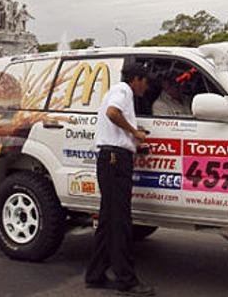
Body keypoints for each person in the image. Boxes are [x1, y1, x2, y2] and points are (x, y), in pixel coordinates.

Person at [85, 63, 156, 296]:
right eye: (146, 82)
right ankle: (127, 280)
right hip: (115, 161)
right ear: (136, 79)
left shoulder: (119, 91)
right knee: (120, 223)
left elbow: (115, 126)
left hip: (112, 159)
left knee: (108, 221)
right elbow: (113, 113)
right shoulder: (123, 91)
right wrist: (134, 133)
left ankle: (95, 275)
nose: (146, 87)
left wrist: (134, 143)